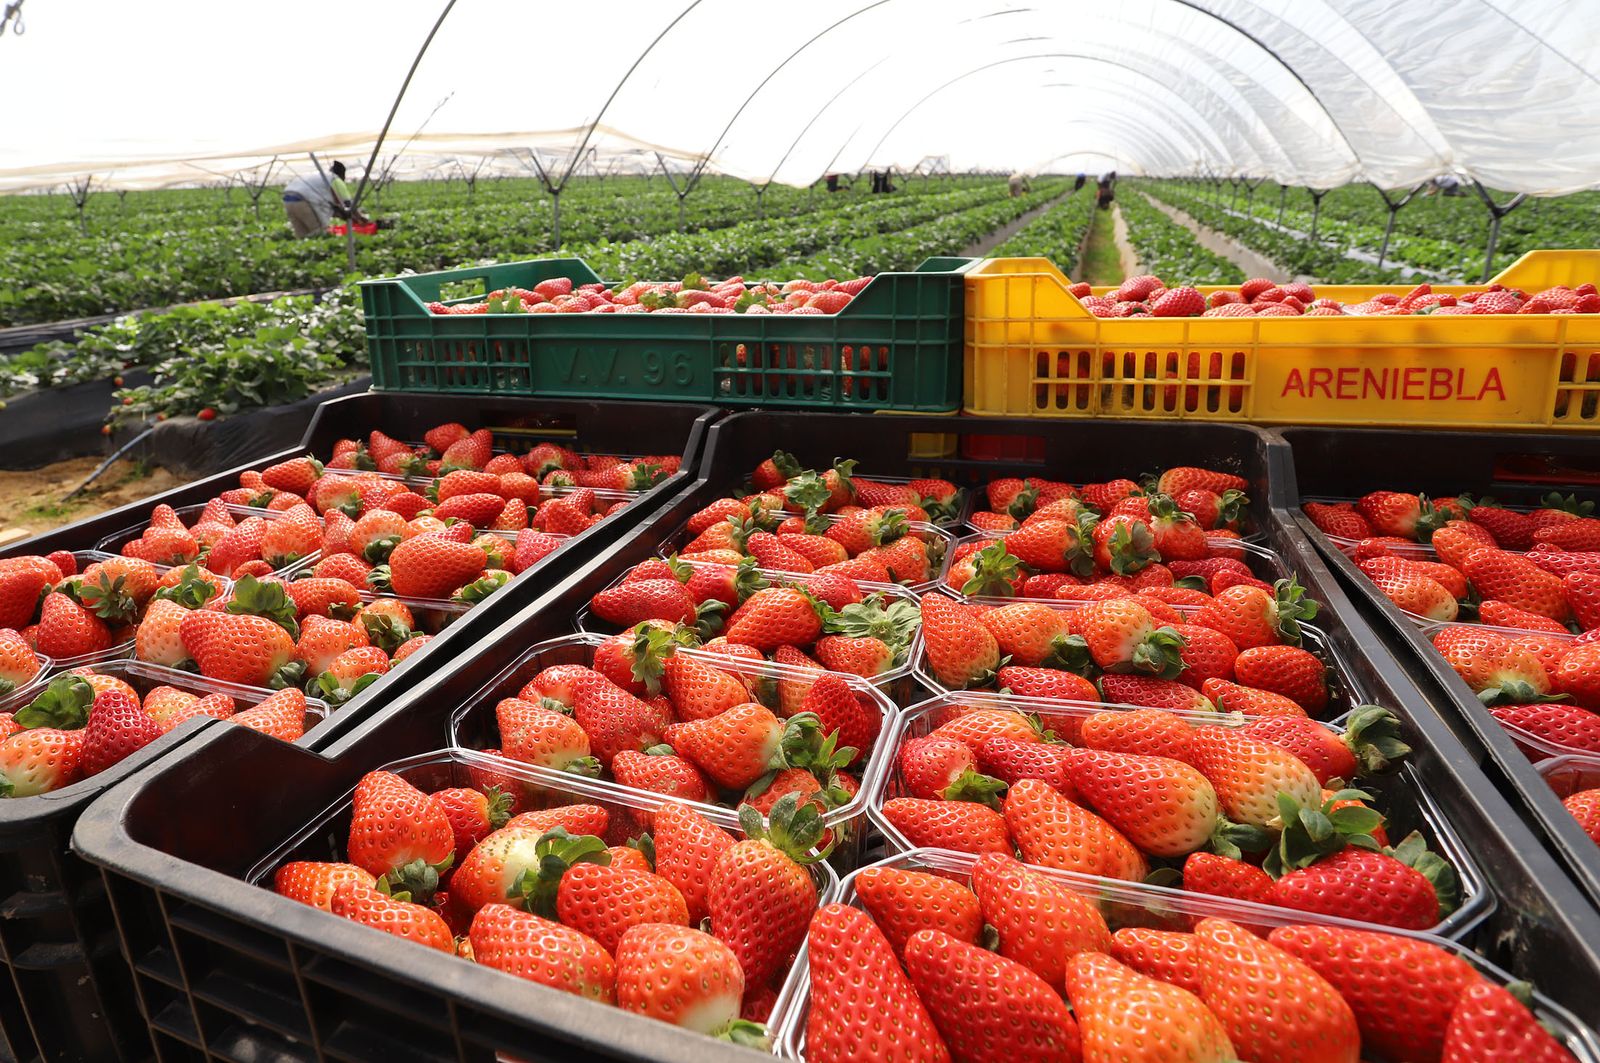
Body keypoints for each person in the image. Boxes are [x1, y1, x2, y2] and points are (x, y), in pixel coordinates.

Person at [281, 161, 359, 239]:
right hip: (304, 199)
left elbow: (334, 208)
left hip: (288, 200)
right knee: (320, 233)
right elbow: (348, 205)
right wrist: (359, 219)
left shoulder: (320, 177)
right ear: (343, 175)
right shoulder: (335, 179)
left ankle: (306, 248)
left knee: (302, 235)